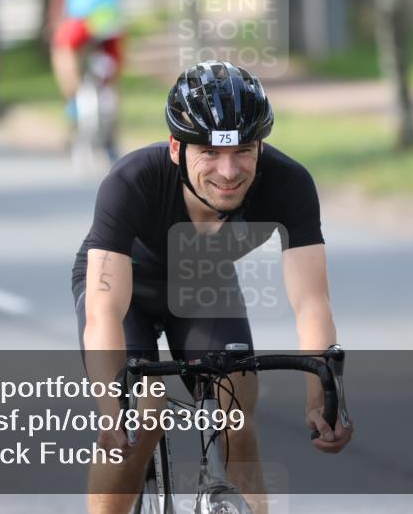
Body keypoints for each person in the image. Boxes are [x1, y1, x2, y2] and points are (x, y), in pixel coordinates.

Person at [72, 61, 353, 514]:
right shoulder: (131, 181)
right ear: (176, 149)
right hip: (125, 291)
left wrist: (323, 398)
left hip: (205, 284)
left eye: (243, 150)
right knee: (143, 418)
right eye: (209, 152)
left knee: (237, 415)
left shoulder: (290, 184)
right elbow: (104, 308)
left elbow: (311, 301)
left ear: (261, 146)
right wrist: (111, 409)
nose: (228, 172)